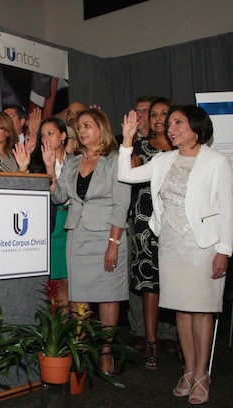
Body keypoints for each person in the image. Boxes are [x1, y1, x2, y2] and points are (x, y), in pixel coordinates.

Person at [118, 106, 233, 405]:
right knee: (182, 311)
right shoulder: (163, 160)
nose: (170, 127)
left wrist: (225, 251)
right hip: (169, 246)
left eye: (178, 122)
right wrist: (127, 140)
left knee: (202, 311)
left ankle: (202, 373)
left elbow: (228, 211)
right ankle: (188, 370)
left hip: (204, 247)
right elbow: (126, 174)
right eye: (169, 123)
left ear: (197, 127)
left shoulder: (217, 162)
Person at [42, 108, 131, 375]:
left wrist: (113, 243)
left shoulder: (116, 159)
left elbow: (122, 203)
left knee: (108, 295)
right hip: (77, 235)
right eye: (79, 127)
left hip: (107, 234)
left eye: (87, 125)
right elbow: (60, 198)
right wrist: (50, 169)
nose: (81, 131)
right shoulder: (72, 161)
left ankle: (105, 351)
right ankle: (80, 350)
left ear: (101, 129)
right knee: (77, 297)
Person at [128, 97, 178, 369]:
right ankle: (151, 341)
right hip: (145, 223)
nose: (158, 118)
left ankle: (176, 337)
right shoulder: (140, 146)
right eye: (154, 114)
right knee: (150, 284)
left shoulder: (184, 148)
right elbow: (130, 176)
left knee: (174, 282)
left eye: (164, 114)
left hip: (177, 223)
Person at [38, 117, 70, 307]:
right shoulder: (37, 165)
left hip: (71, 225)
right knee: (55, 286)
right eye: (43, 135)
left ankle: (79, 334)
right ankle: (59, 334)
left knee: (72, 285)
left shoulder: (77, 161)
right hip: (50, 226)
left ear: (63, 135)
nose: (46, 138)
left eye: (51, 133)